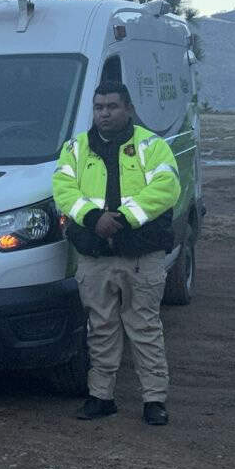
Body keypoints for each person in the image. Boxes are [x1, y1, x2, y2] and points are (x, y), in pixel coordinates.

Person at [51, 82, 181, 426]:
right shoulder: (76, 149)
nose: (104, 113)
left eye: (111, 106)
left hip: (141, 256)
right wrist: (94, 218)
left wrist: (122, 218)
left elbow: (165, 189)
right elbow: (63, 189)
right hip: (95, 258)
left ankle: (154, 400)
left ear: (128, 109)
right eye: (98, 107)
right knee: (101, 328)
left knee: (144, 328)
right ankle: (101, 398)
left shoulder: (151, 146)